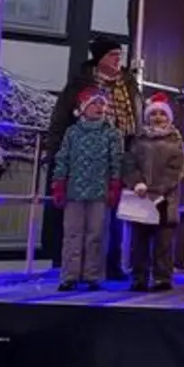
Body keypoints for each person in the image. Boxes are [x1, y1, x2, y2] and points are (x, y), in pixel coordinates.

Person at [49, 38, 140, 281]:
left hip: (121, 150)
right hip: (85, 157)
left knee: (112, 216)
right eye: (112, 54)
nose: (117, 59)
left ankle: (107, 266)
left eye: (119, 54)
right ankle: (72, 270)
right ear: (100, 58)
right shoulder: (81, 83)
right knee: (77, 223)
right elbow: (60, 119)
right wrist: (56, 157)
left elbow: (136, 116)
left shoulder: (128, 83)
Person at [51, 87, 124, 291]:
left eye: (102, 104)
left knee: (96, 234)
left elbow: (116, 160)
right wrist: (59, 182)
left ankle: (93, 275)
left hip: (99, 191)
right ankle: (70, 275)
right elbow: (63, 158)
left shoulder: (111, 133)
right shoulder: (72, 133)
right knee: (72, 234)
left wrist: (115, 184)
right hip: (75, 191)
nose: (99, 107)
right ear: (83, 108)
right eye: (94, 103)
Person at [123, 93, 184, 292]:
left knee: (163, 241)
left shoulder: (175, 140)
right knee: (139, 242)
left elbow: (177, 169)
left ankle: (162, 277)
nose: (158, 117)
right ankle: (139, 277)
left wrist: (159, 189)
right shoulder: (139, 139)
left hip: (165, 198)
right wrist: (136, 183)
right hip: (141, 196)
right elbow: (129, 163)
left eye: (162, 114)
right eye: (154, 114)